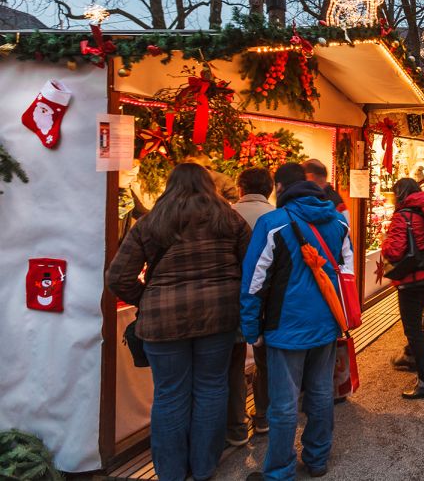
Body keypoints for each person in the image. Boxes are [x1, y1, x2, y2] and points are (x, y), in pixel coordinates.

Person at [108, 163, 250, 481]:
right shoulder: (230, 218)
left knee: (170, 393)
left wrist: (145, 298)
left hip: (163, 322)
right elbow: (252, 266)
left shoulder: (151, 222)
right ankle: (203, 468)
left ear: (170, 186)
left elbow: (118, 277)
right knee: (212, 389)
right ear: (207, 185)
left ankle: (171, 473)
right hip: (219, 317)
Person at [241, 162, 353, 480]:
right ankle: (317, 459)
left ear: (279, 188)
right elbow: (347, 275)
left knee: (284, 403)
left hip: (285, 327)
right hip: (327, 325)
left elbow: (254, 283)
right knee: (320, 393)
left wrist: (251, 329)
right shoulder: (338, 222)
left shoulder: (272, 223)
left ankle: (280, 470)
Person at [381, 178, 424, 399]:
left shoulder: (403, 215)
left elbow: (395, 251)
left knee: (413, 328)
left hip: (412, 278)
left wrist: (383, 241)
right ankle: (410, 356)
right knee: (416, 323)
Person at [228, 168, 276, 444]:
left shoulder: (226, 214)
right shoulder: (276, 216)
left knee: (232, 363)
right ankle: (263, 416)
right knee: (264, 361)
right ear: (270, 188)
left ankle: (234, 426)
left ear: (240, 187)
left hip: (230, 297)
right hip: (266, 301)